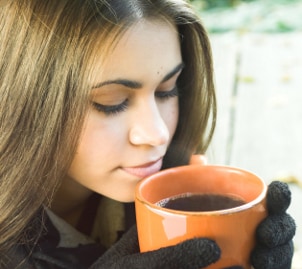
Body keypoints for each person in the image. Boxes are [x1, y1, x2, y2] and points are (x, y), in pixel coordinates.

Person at [0, 0, 295, 268]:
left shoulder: (172, 191)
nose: (157, 134)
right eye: (111, 103)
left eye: (167, 90)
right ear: (24, 102)